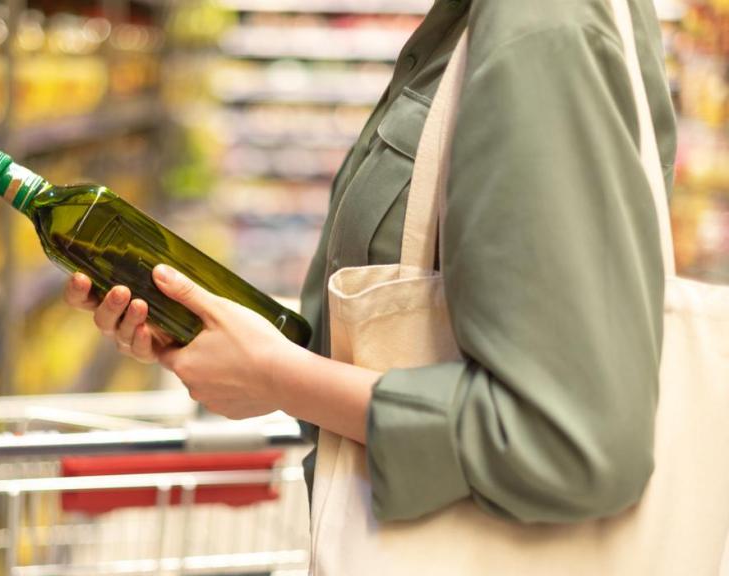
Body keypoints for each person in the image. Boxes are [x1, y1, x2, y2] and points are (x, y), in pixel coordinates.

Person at [64, 0, 674, 524]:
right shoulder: (471, 22)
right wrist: (234, 346)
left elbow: (571, 446)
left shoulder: (541, 27)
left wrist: (278, 376)